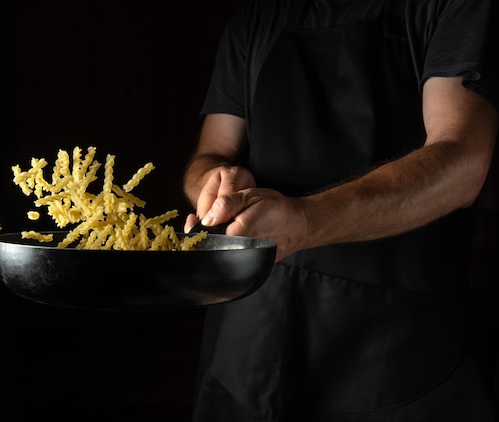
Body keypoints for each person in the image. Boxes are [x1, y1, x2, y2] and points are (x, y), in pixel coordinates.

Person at [182, 0, 499, 421]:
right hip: (253, 332)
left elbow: (463, 161)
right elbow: (212, 152)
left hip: (396, 341)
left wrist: (305, 220)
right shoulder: (256, 15)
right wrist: (215, 182)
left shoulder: (453, 7)